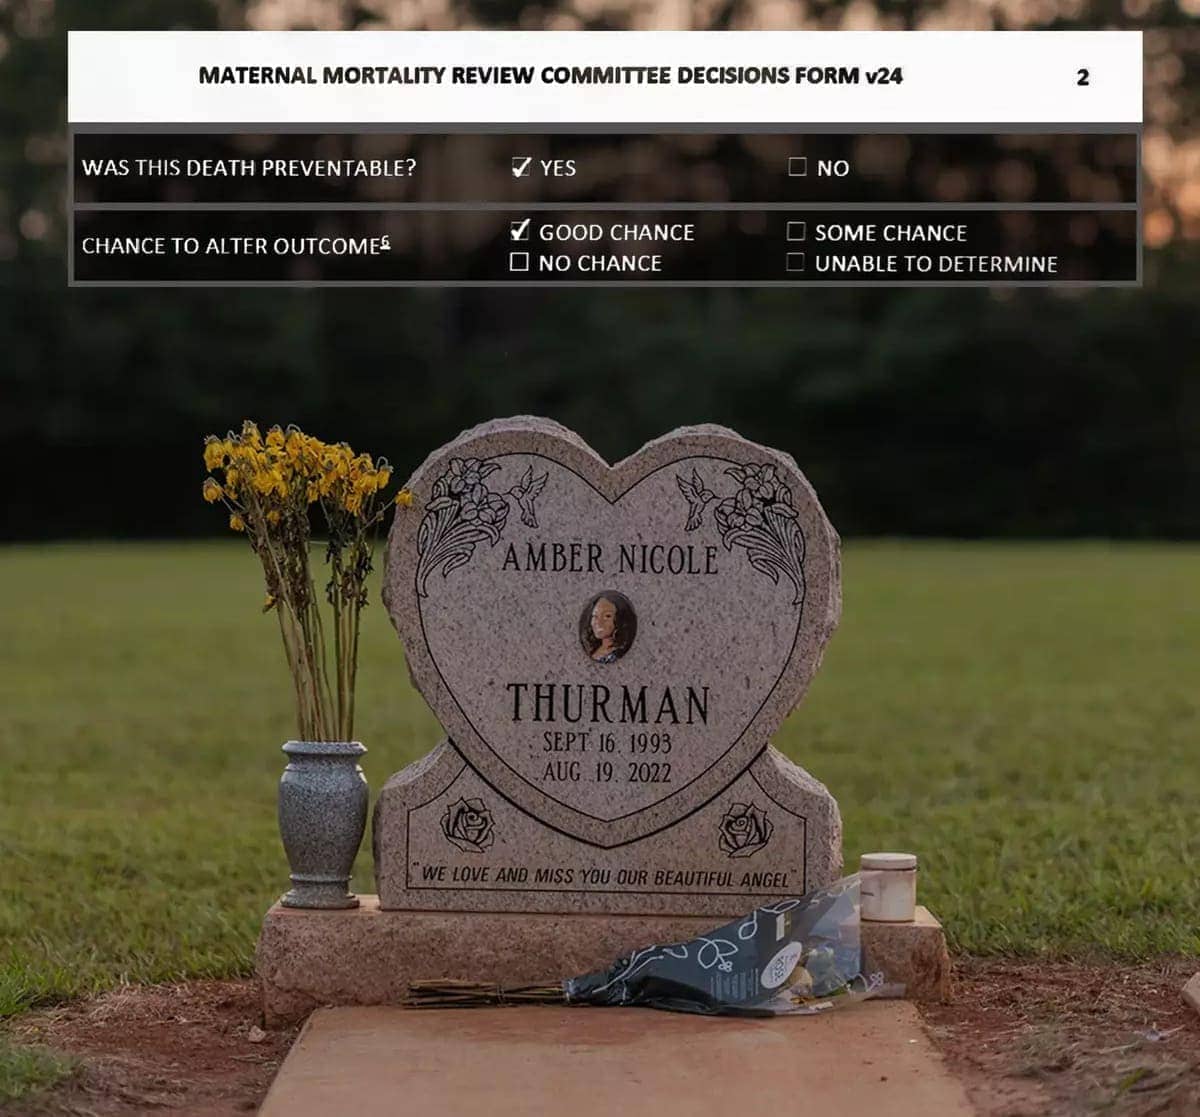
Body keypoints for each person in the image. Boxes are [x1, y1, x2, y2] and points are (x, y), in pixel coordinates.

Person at [581, 591, 636, 663]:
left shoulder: (617, 653)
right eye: (595, 616)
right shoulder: (594, 649)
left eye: (607, 616)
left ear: (619, 620)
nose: (599, 622)